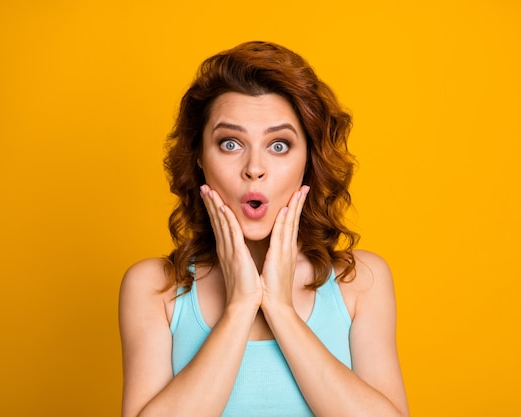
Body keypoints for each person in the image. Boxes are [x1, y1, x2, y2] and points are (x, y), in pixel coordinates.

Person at [119, 41, 409, 417]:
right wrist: (240, 307)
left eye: (278, 145)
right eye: (230, 143)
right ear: (199, 159)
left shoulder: (361, 282)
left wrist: (280, 310)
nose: (254, 168)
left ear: (308, 161)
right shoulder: (154, 289)